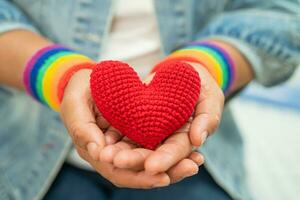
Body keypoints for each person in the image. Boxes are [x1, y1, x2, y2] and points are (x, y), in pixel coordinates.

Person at [0, 0, 299, 199]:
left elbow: (277, 14)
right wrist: (61, 77)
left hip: (200, 151)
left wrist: (205, 66)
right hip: (26, 151)